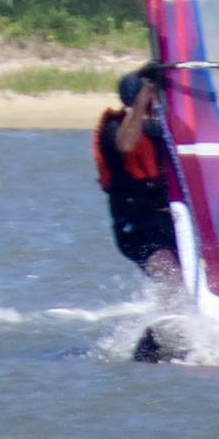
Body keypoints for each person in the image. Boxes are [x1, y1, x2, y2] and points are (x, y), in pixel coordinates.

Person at [95, 68, 181, 291]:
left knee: (192, 276)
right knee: (170, 274)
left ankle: (182, 309)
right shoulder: (115, 128)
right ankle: (175, 311)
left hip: (170, 219)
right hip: (136, 222)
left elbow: (203, 129)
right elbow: (126, 144)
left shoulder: (164, 127)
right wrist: (141, 100)